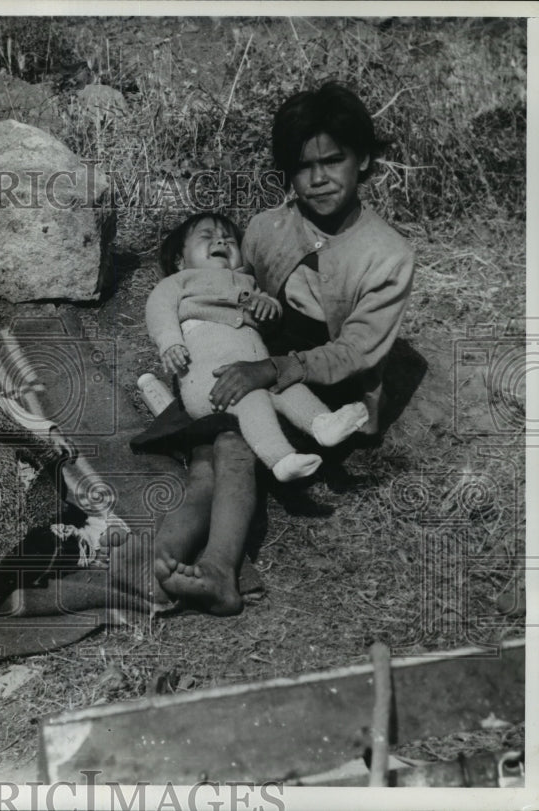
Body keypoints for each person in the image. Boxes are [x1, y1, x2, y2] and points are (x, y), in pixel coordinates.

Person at [148, 81, 415, 615]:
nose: (318, 179)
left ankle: (217, 567)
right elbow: (231, 293)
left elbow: (354, 352)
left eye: (333, 161)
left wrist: (267, 369)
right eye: (302, 166)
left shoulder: (388, 257)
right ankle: (167, 559)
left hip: (324, 397)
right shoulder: (267, 228)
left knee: (231, 446)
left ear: (362, 160)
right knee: (214, 446)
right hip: (246, 368)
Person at [145, 212, 370, 483]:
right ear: (180, 261)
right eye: (207, 237)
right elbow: (159, 309)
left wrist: (269, 308)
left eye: (229, 239)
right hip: (209, 380)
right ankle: (280, 458)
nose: (221, 241)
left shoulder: (249, 284)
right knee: (252, 399)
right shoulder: (179, 282)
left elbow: (272, 323)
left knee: (286, 386)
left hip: (252, 370)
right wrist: (170, 342)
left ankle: (322, 423)